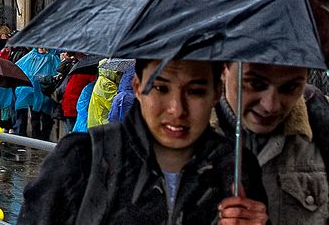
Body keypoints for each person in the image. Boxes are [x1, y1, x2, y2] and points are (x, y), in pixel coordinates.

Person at [17, 59, 268, 225]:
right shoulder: (80, 160)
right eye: (160, 88)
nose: (176, 109)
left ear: (216, 92)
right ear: (137, 87)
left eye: (195, 91)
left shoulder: (236, 169)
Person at [215, 62, 329, 224]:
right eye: (255, 84)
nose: (270, 106)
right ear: (224, 68)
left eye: (290, 87)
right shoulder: (182, 137)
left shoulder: (319, 120)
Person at [13, 47, 58, 140]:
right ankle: (35, 139)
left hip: (46, 91)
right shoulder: (31, 56)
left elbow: (57, 72)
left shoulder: (52, 58)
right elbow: (19, 68)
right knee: (35, 117)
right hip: (33, 93)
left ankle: (44, 139)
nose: (41, 47)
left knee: (46, 118)